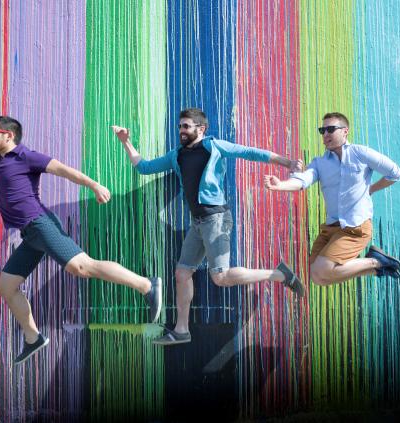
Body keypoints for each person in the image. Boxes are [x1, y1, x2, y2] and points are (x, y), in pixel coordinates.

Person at [0, 90, 161, 364]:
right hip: (30, 234)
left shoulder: (27, 156)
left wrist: (94, 185)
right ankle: (33, 337)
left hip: (41, 224)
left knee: (82, 267)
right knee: (6, 285)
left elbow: (64, 170)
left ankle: (146, 285)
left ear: (9, 135)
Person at [112, 108, 304, 346]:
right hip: (197, 222)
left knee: (220, 277)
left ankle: (279, 274)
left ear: (200, 129)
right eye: (180, 126)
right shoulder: (176, 155)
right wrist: (126, 141)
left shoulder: (215, 147)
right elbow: (144, 167)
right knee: (182, 274)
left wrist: (288, 164)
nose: (181, 130)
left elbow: (250, 152)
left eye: (186, 126)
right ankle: (181, 330)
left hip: (216, 219)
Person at [264, 112, 400, 286]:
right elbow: (303, 180)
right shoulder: (319, 163)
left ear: (345, 131)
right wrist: (280, 185)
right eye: (323, 130)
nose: (326, 134)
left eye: (331, 129)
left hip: (355, 227)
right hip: (331, 229)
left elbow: (395, 173)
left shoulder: (359, 153)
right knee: (318, 277)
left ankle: (377, 262)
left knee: (323, 269)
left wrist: (371, 189)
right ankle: (376, 268)